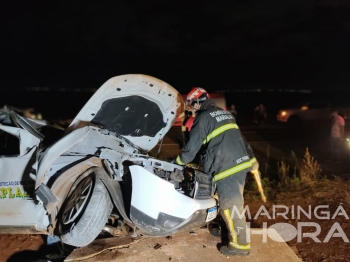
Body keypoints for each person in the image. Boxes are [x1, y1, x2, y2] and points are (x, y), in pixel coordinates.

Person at [175, 87, 259, 256]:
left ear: (198, 101)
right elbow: (240, 138)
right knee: (221, 201)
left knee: (230, 205)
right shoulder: (225, 114)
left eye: (191, 104)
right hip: (239, 164)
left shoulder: (203, 118)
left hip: (226, 167)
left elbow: (190, 150)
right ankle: (224, 231)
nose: (191, 108)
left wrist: (176, 164)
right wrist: (252, 160)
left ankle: (240, 245)